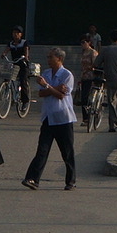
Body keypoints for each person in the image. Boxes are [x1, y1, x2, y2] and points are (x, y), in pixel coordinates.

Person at [22, 47, 77, 190]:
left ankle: (71, 181)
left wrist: (48, 86)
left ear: (59, 59)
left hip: (63, 118)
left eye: (50, 57)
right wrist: (54, 88)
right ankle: (32, 178)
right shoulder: (46, 73)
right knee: (42, 149)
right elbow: (41, 93)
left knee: (67, 152)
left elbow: (61, 95)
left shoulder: (67, 75)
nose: (48, 60)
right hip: (48, 117)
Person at [77, 36, 100, 107]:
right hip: (84, 76)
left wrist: (88, 69)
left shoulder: (93, 52)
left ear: (89, 42)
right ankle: (84, 112)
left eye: (84, 42)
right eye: (81, 43)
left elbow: (95, 64)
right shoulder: (83, 53)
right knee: (83, 95)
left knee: (86, 95)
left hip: (90, 76)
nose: (82, 44)